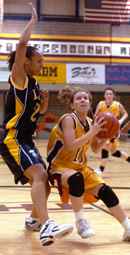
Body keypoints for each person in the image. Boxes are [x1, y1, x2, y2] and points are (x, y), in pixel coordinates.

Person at [0, 3, 73, 246]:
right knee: (40, 175)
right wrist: (33, 20)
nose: (42, 65)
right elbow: (21, 46)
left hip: (26, 139)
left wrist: (42, 107)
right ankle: (46, 226)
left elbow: (34, 116)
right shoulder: (19, 78)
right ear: (26, 63)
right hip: (13, 138)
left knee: (46, 184)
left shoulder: (33, 84)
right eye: (39, 61)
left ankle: (33, 220)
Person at [47, 87, 130, 241]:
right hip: (59, 167)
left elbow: (95, 148)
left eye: (86, 98)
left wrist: (107, 136)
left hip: (79, 167)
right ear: (72, 105)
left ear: (90, 104)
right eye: (79, 98)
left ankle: (127, 227)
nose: (83, 100)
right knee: (76, 179)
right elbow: (70, 145)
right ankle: (81, 222)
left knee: (105, 190)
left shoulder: (91, 122)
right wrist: (93, 132)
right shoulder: (68, 119)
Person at [94, 87, 129, 175]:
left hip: (114, 130)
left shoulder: (117, 104)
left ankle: (101, 169)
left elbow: (125, 114)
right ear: (104, 95)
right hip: (104, 129)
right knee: (114, 152)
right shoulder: (101, 104)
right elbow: (95, 115)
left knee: (105, 145)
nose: (109, 95)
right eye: (107, 94)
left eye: (110, 94)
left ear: (113, 96)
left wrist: (120, 121)